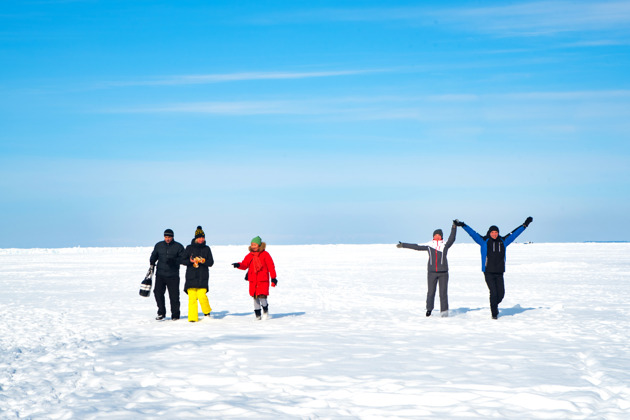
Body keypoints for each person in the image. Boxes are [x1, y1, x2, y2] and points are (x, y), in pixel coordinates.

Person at [455, 217, 533, 319]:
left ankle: (494, 304)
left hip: (499, 271)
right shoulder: (484, 241)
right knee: (493, 292)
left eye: (496, 232)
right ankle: (494, 314)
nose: (494, 234)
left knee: (501, 294)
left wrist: (525, 225)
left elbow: (514, 234)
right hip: (488, 271)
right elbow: (473, 233)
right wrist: (463, 225)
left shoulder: (503, 241)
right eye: (492, 232)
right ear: (489, 233)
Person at [397, 222, 457, 317]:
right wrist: (403, 245)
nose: (437, 236)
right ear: (433, 236)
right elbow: (416, 247)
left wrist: (454, 227)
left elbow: (452, 238)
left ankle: (444, 313)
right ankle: (429, 310)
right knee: (431, 292)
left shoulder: (445, 245)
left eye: (439, 235)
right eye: (435, 235)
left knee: (443, 293)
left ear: (441, 236)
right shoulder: (429, 245)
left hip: (443, 273)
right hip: (432, 272)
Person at [232, 236, 277, 320]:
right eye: (252, 244)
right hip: (253, 280)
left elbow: (271, 266)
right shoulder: (249, 255)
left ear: (259, 245)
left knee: (262, 297)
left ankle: (265, 312)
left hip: (263, 280)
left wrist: (273, 278)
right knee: (255, 298)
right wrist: (238, 265)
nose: (253, 246)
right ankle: (258, 316)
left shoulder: (265, 254)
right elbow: (245, 264)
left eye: (255, 244)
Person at [149, 228, 185, 321]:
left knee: (174, 296)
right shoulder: (159, 245)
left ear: (172, 237)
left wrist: (174, 261)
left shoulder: (178, 246)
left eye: (169, 237)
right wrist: (152, 261)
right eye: (166, 237)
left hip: (173, 275)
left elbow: (184, 259)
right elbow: (154, 255)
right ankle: (161, 312)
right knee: (157, 293)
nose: (167, 238)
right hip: (160, 274)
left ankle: (175, 315)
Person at [181, 226, 214, 322]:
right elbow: (182, 260)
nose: (201, 239)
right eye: (199, 237)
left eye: (202, 237)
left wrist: (203, 261)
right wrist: (190, 261)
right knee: (192, 299)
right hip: (191, 277)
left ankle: (207, 311)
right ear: (196, 238)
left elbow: (211, 262)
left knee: (202, 296)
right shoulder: (189, 248)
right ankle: (192, 318)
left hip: (202, 277)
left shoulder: (207, 249)